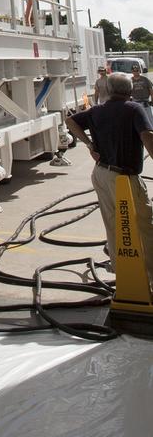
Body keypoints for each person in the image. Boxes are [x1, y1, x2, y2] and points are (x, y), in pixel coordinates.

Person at [66, 71, 153, 293]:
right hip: (123, 177)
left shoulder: (97, 110)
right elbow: (147, 136)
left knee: (114, 223)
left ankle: (122, 270)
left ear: (110, 90)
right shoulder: (134, 109)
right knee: (144, 222)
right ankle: (149, 274)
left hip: (101, 174)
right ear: (130, 90)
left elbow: (70, 121)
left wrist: (89, 145)